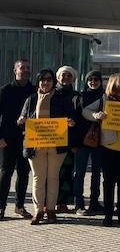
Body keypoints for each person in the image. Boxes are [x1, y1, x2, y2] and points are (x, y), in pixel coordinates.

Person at [83, 73, 120, 226]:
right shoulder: (105, 100)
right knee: (108, 183)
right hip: (108, 147)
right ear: (116, 85)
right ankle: (108, 215)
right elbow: (86, 111)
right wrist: (97, 115)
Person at [19, 69, 78, 224]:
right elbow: (23, 117)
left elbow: (71, 116)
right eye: (42, 79)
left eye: (49, 80)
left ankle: (51, 210)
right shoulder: (31, 99)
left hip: (56, 145)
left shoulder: (61, 98)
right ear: (38, 81)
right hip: (35, 145)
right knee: (38, 178)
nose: (45, 82)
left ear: (53, 82)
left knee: (53, 178)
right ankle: (38, 211)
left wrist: (70, 121)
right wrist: (21, 120)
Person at [0, 59, 35, 220]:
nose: (26, 70)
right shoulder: (5, 90)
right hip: (7, 139)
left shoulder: (35, 91)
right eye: (22, 68)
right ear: (15, 70)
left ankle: (20, 206)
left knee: (24, 173)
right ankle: (1, 207)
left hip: (29, 138)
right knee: (5, 173)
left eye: (28, 68)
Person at [74, 70, 104, 216]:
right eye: (90, 79)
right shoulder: (80, 96)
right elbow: (77, 116)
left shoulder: (105, 97)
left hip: (99, 140)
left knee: (96, 173)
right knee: (79, 173)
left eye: (96, 79)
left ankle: (94, 203)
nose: (93, 82)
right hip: (82, 141)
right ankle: (78, 204)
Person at [54, 66, 81, 213]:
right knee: (52, 173)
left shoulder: (77, 96)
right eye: (63, 75)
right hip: (52, 139)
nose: (66, 78)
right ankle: (49, 202)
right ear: (58, 77)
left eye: (69, 76)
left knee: (67, 173)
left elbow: (80, 116)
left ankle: (63, 202)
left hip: (70, 141)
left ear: (73, 79)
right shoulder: (51, 93)